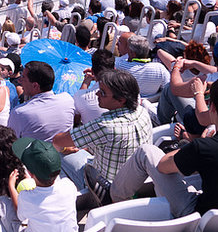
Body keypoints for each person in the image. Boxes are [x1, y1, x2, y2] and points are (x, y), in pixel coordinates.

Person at [110, 78, 218, 217]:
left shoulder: (204, 147)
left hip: (200, 217)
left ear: (212, 109)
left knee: (145, 152)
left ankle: (115, 198)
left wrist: (195, 144)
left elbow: (163, 166)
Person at [51, 70, 152, 198]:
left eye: (103, 92)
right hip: (139, 181)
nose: (97, 93)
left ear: (121, 100)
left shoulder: (105, 126)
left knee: (57, 153)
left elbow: (57, 141)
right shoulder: (142, 111)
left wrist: (64, 149)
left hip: (106, 188)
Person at [9, 138, 77, 232]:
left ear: (29, 173)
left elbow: (21, 216)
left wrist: (11, 186)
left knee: (3, 203)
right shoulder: (69, 186)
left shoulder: (26, 197)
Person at [9, 61, 75, 141]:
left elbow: (11, 142)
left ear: (35, 86)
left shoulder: (19, 113)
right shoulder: (67, 100)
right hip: (64, 148)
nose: (19, 80)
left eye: (23, 77)